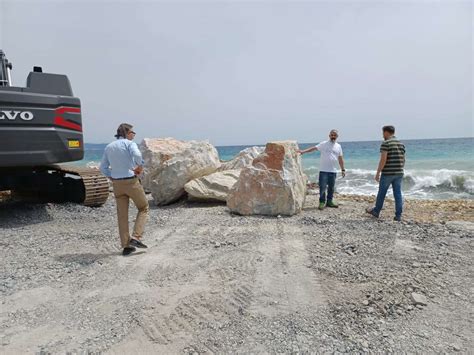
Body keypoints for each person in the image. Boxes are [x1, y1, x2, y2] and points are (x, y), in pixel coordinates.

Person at [100, 123, 149, 256]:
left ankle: (126, 246)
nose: (133, 135)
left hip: (117, 184)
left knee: (122, 215)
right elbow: (137, 155)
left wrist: (111, 177)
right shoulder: (129, 143)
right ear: (127, 133)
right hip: (130, 181)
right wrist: (140, 165)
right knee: (143, 207)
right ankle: (136, 237)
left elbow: (103, 167)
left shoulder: (109, 147)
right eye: (133, 132)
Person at [298, 129, 346, 210]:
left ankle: (330, 202)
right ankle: (322, 202)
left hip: (333, 171)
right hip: (323, 170)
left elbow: (340, 159)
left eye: (335, 135)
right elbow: (314, 148)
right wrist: (303, 151)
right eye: (332, 135)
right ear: (329, 135)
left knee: (331, 187)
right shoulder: (324, 144)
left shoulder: (338, 146)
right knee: (322, 187)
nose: (333, 136)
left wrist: (343, 169)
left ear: (337, 136)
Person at [366, 125, 406, 221]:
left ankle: (376, 211)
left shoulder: (386, 143)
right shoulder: (401, 144)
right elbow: (403, 159)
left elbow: (383, 159)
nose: (382, 135)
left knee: (382, 193)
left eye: (383, 133)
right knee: (397, 194)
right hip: (399, 172)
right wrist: (400, 168)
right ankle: (398, 215)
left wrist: (378, 172)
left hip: (388, 173)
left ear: (386, 132)